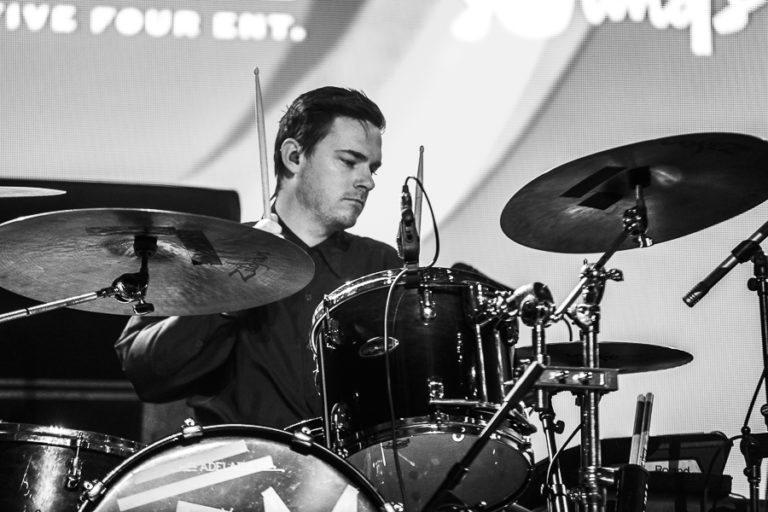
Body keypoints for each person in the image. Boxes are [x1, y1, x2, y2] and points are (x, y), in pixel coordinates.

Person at [115, 87, 402, 430]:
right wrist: (230, 286)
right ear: (294, 156)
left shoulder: (381, 266)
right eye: (349, 161)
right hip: (241, 459)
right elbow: (144, 371)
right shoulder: (209, 252)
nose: (367, 181)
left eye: (372, 168)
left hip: (350, 461)